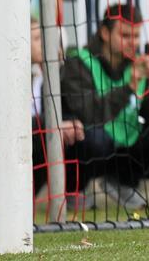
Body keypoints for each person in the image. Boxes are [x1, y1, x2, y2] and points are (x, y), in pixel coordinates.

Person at [62, 3, 149, 211]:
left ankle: (122, 182)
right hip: (86, 145)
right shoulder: (79, 63)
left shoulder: (138, 65)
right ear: (105, 33)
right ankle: (76, 189)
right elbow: (88, 115)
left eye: (136, 36)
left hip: (122, 146)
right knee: (96, 139)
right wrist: (128, 87)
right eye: (125, 36)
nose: (133, 43)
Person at [31, 18, 85, 198]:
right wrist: (55, 125)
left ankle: (70, 193)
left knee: (73, 134)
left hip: (44, 142)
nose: (46, 44)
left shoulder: (58, 73)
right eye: (38, 38)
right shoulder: (11, 77)